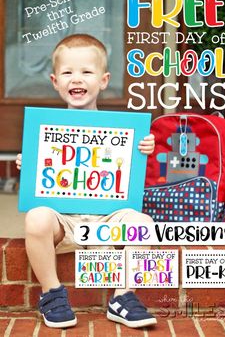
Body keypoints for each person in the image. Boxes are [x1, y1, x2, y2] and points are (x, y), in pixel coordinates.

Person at [16, 34, 156, 329]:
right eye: (67, 72)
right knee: (36, 217)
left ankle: (123, 298)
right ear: (55, 81)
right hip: (64, 220)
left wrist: (143, 150)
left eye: (86, 72)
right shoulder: (46, 130)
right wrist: (27, 163)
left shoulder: (122, 132)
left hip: (108, 216)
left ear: (103, 80)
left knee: (143, 223)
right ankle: (52, 293)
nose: (76, 78)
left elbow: (132, 174)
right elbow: (38, 175)